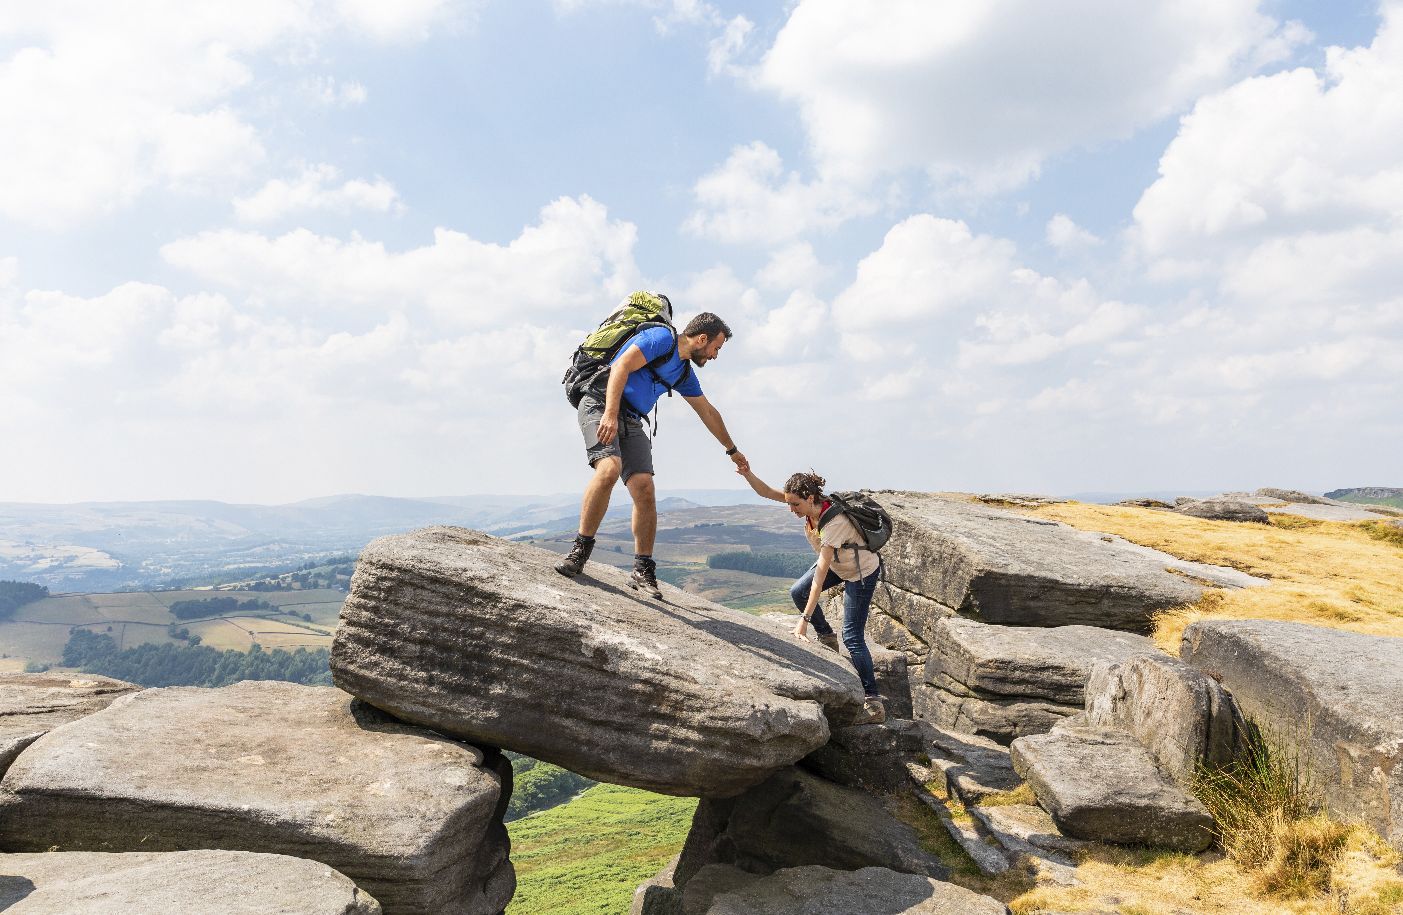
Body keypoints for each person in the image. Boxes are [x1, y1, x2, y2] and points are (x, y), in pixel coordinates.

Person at [556, 310, 749, 598]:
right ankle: (580, 551)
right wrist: (609, 413)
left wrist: (732, 451)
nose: (715, 356)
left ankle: (642, 568)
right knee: (609, 469)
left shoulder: (683, 372)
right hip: (599, 402)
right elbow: (621, 367)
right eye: (715, 348)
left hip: (631, 417)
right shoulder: (661, 338)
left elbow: (707, 412)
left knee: (644, 487)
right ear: (702, 338)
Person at [738, 467, 886, 723]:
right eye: (789, 503)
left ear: (809, 498)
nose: (790, 509)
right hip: (841, 564)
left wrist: (803, 621)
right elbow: (765, 491)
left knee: (852, 637)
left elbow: (818, 578)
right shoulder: (805, 506)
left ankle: (873, 703)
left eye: (794, 504)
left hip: (860, 573)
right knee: (797, 590)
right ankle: (827, 638)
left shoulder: (834, 523)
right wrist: (747, 473)